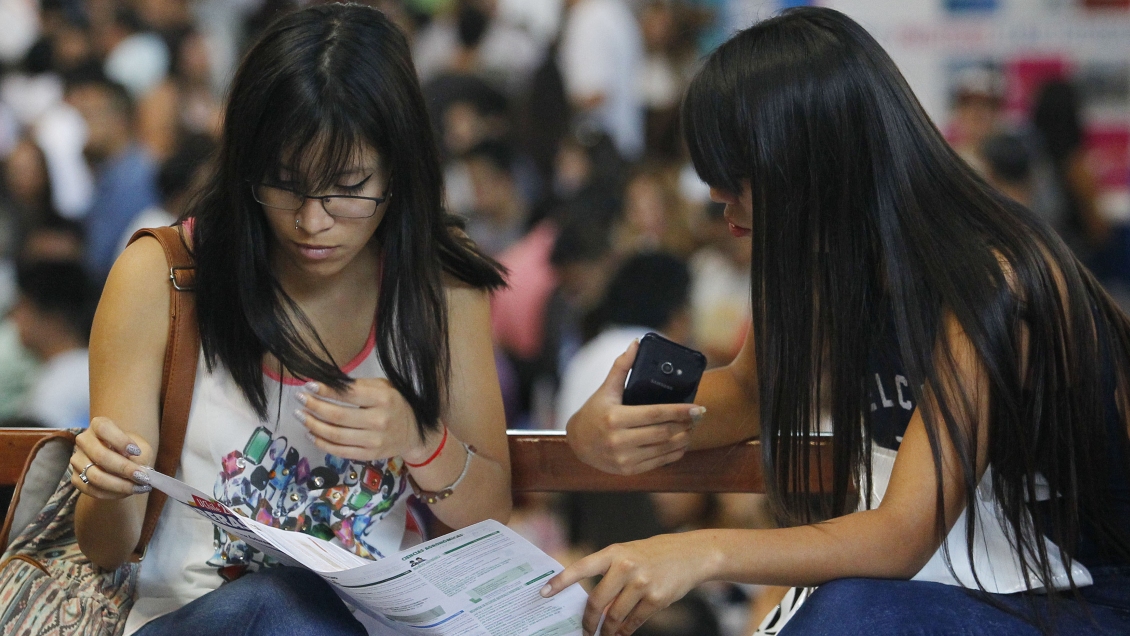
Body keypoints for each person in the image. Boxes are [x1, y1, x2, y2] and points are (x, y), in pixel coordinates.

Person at [541, 8, 1130, 636]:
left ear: (809, 163)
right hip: (952, 581)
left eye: (734, 172)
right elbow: (748, 393)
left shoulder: (996, 278)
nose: (718, 197)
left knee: (847, 613)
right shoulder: (827, 261)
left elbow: (901, 536)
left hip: (1072, 595)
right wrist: (599, 428)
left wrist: (702, 551)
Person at [66, 5, 511, 635]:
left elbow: (492, 518)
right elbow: (106, 549)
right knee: (281, 605)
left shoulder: (440, 290)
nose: (312, 221)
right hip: (190, 618)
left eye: (349, 188)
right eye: (284, 184)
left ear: (400, 169)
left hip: (370, 622)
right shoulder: (163, 277)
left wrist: (420, 441)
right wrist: (108, 487)